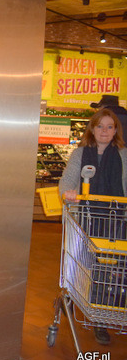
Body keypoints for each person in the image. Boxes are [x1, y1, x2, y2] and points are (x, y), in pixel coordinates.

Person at [59, 108, 127, 346]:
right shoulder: (80, 154)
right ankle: (74, 296)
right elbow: (67, 181)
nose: (104, 131)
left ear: (116, 130)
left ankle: (100, 319)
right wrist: (68, 193)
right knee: (82, 265)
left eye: (109, 127)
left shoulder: (123, 155)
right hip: (85, 221)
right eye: (100, 126)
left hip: (114, 222)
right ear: (92, 129)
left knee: (105, 270)